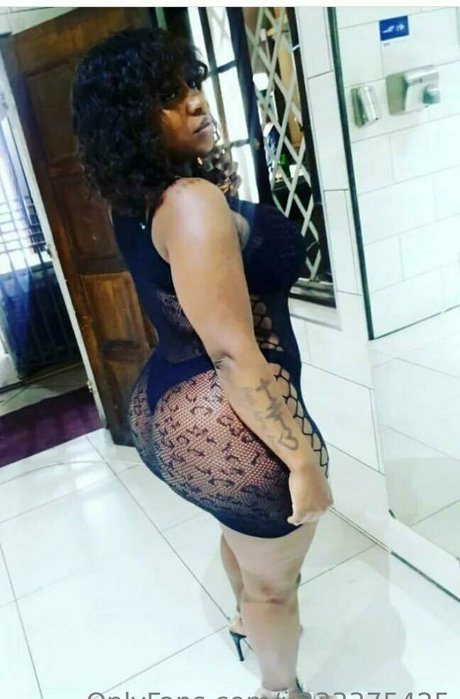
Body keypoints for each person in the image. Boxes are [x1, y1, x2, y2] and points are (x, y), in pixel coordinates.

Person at [71, 26, 333, 699]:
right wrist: (302, 461)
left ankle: (244, 620)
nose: (195, 100)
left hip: (167, 407)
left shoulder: (136, 200)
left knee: (236, 530)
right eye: (168, 96)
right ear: (130, 121)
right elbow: (232, 350)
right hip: (223, 414)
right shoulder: (189, 202)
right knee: (277, 587)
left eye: (191, 83)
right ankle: (279, 688)